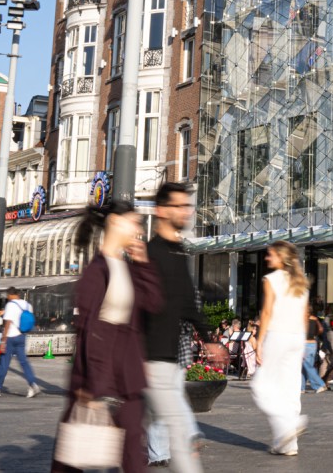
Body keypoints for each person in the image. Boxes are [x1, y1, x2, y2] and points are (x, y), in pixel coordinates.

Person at [52, 199, 160, 473]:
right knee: (72, 453)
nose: (139, 228)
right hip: (95, 375)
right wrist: (95, 384)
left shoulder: (129, 268)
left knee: (133, 448)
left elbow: (154, 304)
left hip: (127, 375)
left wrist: (144, 264)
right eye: (134, 221)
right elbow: (91, 331)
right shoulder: (97, 271)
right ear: (115, 222)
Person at [139, 181, 211, 473]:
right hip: (152, 357)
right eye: (179, 206)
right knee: (180, 425)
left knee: (182, 449)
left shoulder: (179, 250)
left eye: (188, 206)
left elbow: (186, 302)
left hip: (171, 356)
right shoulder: (149, 254)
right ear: (160, 210)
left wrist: (209, 338)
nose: (187, 211)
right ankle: (190, 434)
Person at [251, 240, 310, 456]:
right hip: (297, 337)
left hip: (277, 335)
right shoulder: (301, 282)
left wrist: (259, 341)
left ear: (281, 257)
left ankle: (290, 423)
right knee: (290, 389)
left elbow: (266, 313)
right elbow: (305, 314)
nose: (267, 258)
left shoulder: (272, 279)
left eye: (270, 255)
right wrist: (302, 341)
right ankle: (287, 444)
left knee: (261, 387)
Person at [0, 287, 40, 398]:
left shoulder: (10, 305)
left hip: (10, 337)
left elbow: (8, 323)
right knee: (24, 362)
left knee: (4, 364)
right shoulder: (27, 305)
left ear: (10, 295)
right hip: (22, 336)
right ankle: (32, 384)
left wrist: (3, 341)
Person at [301, 304, 328, 394]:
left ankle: (319, 384)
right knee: (304, 367)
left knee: (308, 367)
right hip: (313, 344)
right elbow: (321, 329)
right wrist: (315, 334)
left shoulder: (304, 319)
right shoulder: (315, 319)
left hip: (305, 345)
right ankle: (301, 388)